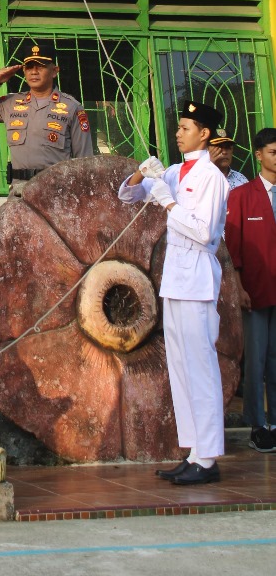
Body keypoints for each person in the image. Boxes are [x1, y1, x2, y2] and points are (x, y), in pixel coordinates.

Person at [118, 101, 229, 485]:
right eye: (178, 127)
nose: (178, 133)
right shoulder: (175, 171)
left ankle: (209, 458)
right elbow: (127, 196)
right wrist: (141, 172)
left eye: (185, 128)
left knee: (201, 368)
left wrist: (167, 199)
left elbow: (203, 231)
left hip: (198, 278)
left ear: (204, 133)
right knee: (180, 369)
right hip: (175, 279)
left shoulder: (212, 177)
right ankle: (195, 452)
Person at [0, 41, 93, 195]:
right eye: (29, 67)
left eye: (41, 66)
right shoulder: (10, 103)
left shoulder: (72, 107)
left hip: (56, 192)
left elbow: (85, 161)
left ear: (54, 71)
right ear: (24, 71)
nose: (34, 72)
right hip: (20, 192)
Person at [224, 127, 276, 453]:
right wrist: (239, 287)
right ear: (259, 155)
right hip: (255, 291)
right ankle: (258, 424)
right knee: (256, 361)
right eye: (273, 152)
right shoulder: (242, 195)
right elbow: (234, 249)